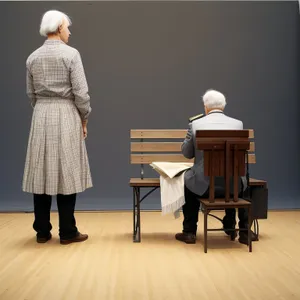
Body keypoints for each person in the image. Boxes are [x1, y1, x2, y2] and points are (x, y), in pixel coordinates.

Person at [22, 10, 92, 245]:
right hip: (66, 113)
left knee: (42, 172)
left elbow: (30, 94)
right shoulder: (71, 55)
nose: (70, 32)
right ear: (60, 27)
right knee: (66, 173)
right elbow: (81, 94)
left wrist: (43, 108)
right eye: (68, 28)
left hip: (41, 114)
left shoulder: (32, 58)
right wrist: (84, 118)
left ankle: (42, 231)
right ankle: (68, 231)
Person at [175, 89, 255, 245]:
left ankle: (189, 232)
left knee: (188, 180)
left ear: (205, 107)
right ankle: (244, 231)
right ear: (223, 106)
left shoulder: (195, 124)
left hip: (203, 186)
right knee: (243, 180)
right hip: (233, 187)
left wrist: (188, 137)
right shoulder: (238, 124)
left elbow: (187, 153)